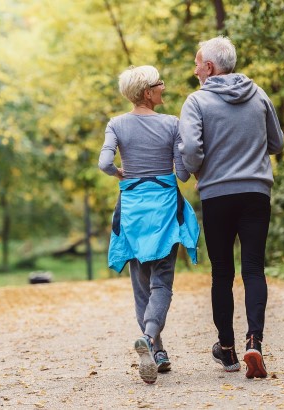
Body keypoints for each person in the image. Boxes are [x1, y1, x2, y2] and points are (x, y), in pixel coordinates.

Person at [178, 36, 284, 379]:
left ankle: (227, 350)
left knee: (222, 272)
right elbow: (277, 142)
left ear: (209, 67)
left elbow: (191, 149)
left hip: (217, 195)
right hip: (256, 192)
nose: (195, 70)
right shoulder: (259, 94)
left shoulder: (196, 102)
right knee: (254, 268)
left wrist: (200, 171)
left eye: (197, 63)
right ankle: (255, 341)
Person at [99, 65, 200, 384]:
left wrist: (120, 173)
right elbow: (183, 174)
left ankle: (156, 349)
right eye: (159, 84)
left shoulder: (116, 124)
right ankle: (152, 335)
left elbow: (104, 163)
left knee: (141, 284)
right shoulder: (172, 124)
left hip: (132, 212)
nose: (163, 87)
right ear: (147, 92)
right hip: (164, 210)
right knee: (162, 283)